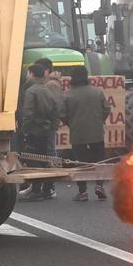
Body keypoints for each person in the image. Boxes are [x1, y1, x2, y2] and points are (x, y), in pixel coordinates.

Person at [62, 66, 110, 201]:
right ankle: (99, 186)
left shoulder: (68, 94)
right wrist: (99, 121)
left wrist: (70, 123)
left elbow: (62, 113)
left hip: (78, 134)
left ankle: (82, 192)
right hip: (96, 132)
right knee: (99, 161)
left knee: (80, 162)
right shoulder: (97, 92)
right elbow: (107, 109)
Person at [18, 63, 61, 201]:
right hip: (45, 129)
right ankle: (47, 189)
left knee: (32, 159)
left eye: (28, 73)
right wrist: (52, 127)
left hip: (33, 131)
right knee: (45, 159)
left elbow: (28, 113)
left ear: (31, 74)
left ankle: (36, 189)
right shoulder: (47, 89)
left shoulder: (31, 91)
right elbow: (56, 111)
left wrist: (24, 129)